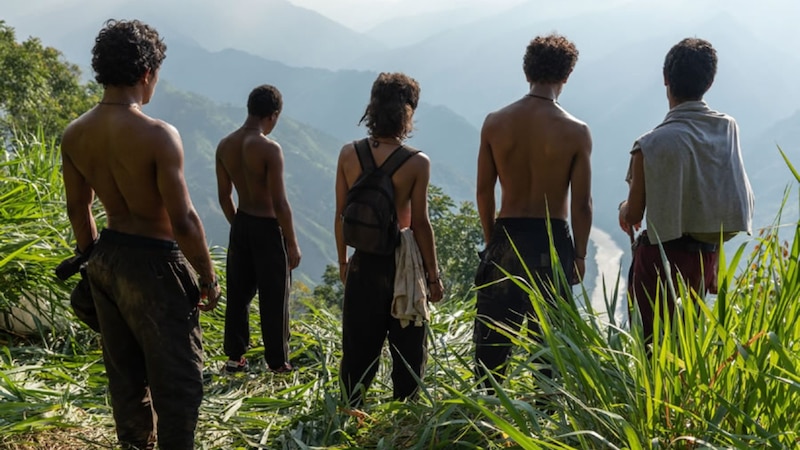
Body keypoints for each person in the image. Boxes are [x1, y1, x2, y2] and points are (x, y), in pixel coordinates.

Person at [60, 19, 221, 449]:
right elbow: (183, 218)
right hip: (156, 265)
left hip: (107, 259)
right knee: (179, 386)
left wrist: (92, 260)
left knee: (126, 380)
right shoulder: (158, 135)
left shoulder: (75, 134)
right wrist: (207, 276)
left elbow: (79, 208)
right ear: (147, 73)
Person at [473, 33, 592, 388]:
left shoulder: (495, 122)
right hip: (552, 241)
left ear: (527, 71)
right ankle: (541, 422)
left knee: (493, 342)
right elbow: (583, 204)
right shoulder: (576, 132)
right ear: (567, 75)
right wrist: (580, 255)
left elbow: (483, 191)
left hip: (505, 236)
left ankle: (484, 420)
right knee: (549, 346)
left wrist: (491, 239)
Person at [619, 38, 753, 343]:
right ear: (710, 81)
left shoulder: (649, 145)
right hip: (705, 259)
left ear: (666, 79)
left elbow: (635, 213)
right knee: (688, 347)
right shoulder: (727, 128)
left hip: (659, 263)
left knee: (652, 348)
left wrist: (622, 210)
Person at [334, 72, 444, 407]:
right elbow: (421, 223)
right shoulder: (416, 162)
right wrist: (434, 276)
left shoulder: (349, 154)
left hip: (363, 262)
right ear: (408, 112)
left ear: (373, 107)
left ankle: (351, 417)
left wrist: (343, 262)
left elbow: (340, 215)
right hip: (402, 267)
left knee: (357, 351)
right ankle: (404, 420)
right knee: (409, 351)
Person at [215, 84, 301, 374]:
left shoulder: (225, 145)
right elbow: (280, 202)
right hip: (268, 227)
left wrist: (237, 224)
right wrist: (292, 242)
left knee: (238, 295)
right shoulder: (269, 149)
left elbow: (224, 196)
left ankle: (235, 358)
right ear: (273, 115)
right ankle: (278, 362)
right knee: (275, 297)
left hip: (241, 223)